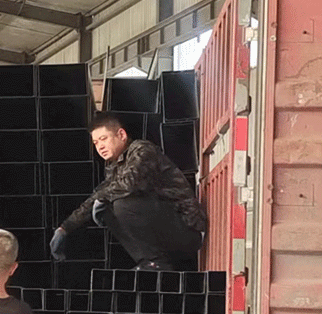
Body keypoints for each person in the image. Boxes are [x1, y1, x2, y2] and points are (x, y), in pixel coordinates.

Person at [49, 112, 207, 271]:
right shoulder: (115, 167)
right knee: (107, 209)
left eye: (104, 139)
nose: (100, 147)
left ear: (121, 135)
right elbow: (97, 196)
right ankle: (150, 262)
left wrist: (102, 198)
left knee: (122, 203)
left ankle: (155, 261)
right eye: (96, 143)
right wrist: (65, 228)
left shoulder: (142, 150)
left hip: (188, 230)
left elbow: (129, 184)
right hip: (169, 236)